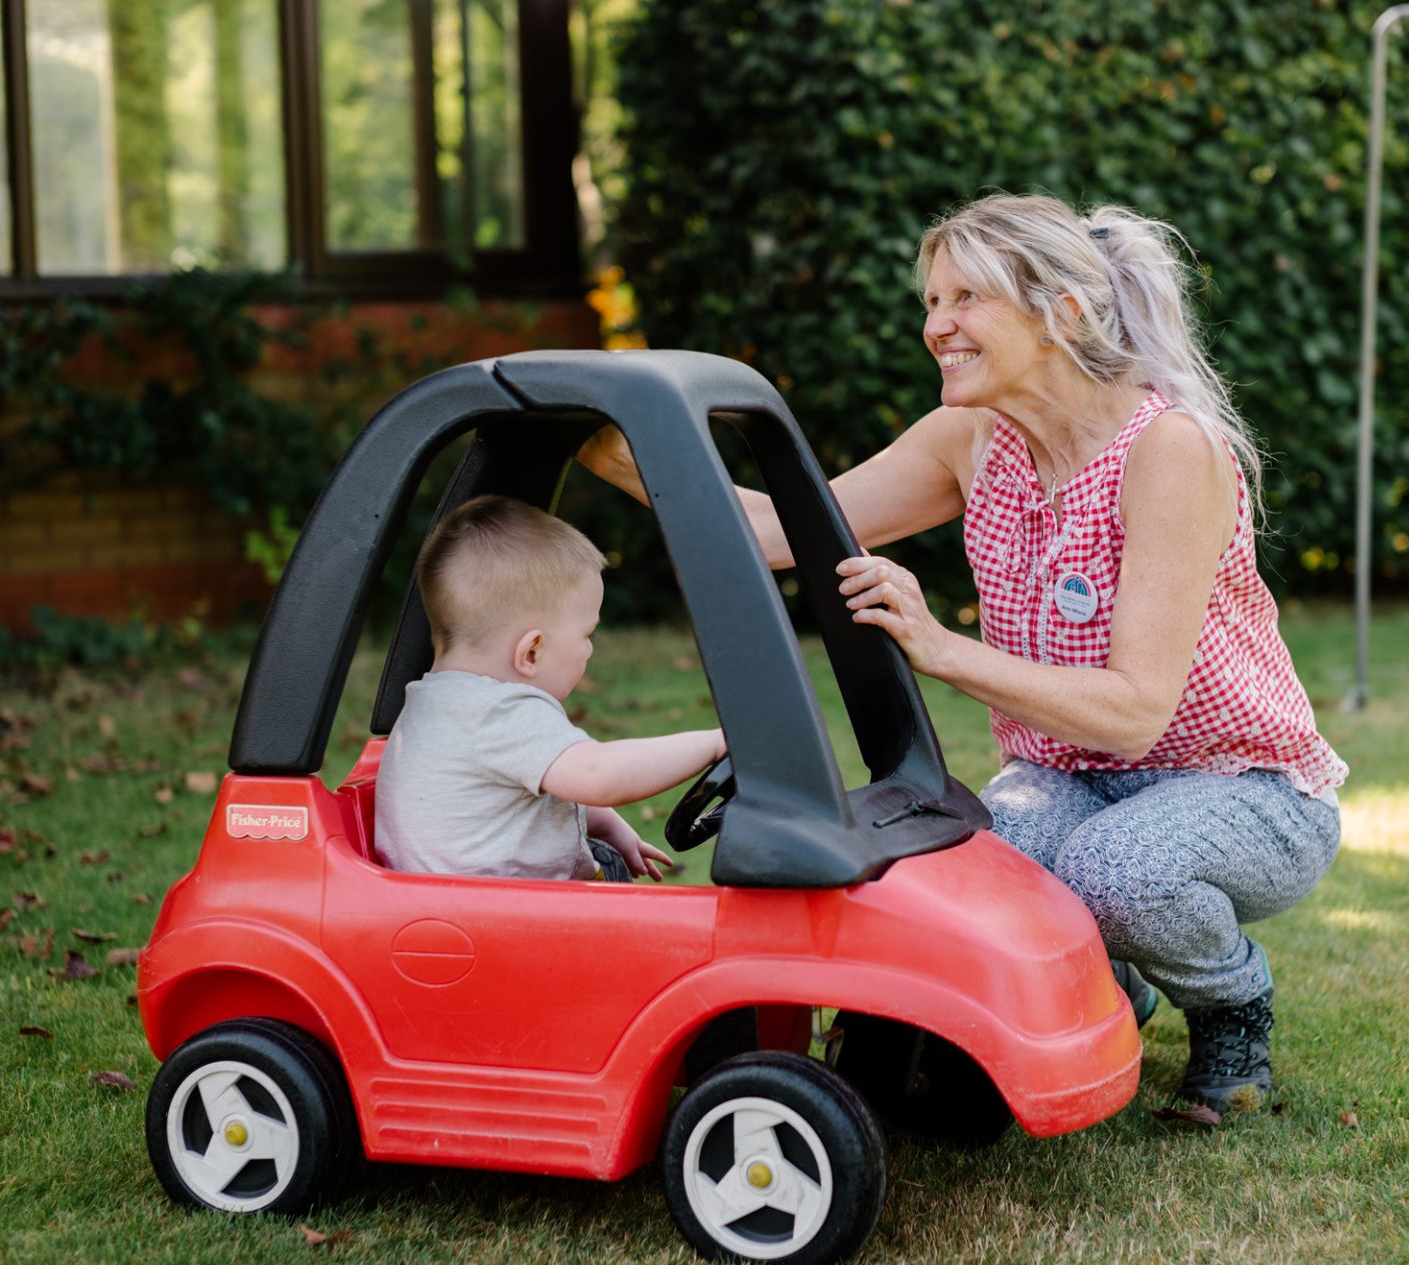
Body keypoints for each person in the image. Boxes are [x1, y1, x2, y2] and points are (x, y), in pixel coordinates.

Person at [578, 193, 1346, 1111]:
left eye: (964, 300)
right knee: (962, 871)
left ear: (1059, 312)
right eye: (932, 304)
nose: (937, 326)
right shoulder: (971, 439)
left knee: (1119, 873)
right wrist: (608, 439)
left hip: (1242, 789)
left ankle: (1233, 1004)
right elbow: (781, 532)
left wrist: (939, 647)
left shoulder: (1168, 449)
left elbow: (1138, 711)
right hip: (1068, 779)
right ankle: (1109, 990)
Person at [375, 494, 725, 886]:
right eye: (586, 634)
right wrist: (714, 744)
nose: (590, 648)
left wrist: (607, 825)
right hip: (507, 925)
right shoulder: (500, 712)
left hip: (450, 908)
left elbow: (515, 795)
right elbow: (598, 774)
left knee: (605, 860)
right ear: (532, 650)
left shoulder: (435, 703)